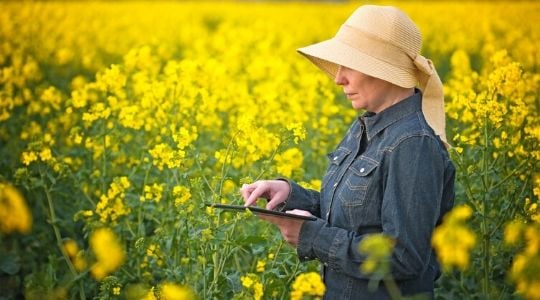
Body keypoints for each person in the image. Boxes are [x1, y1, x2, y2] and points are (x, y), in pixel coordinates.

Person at [240, 5, 455, 299]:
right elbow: (354, 216)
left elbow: (403, 258)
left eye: (348, 65)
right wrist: (289, 194)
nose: (338, 78)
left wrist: (311, 236)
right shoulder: (366, 125)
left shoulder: (412, 144)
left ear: (383, 69)